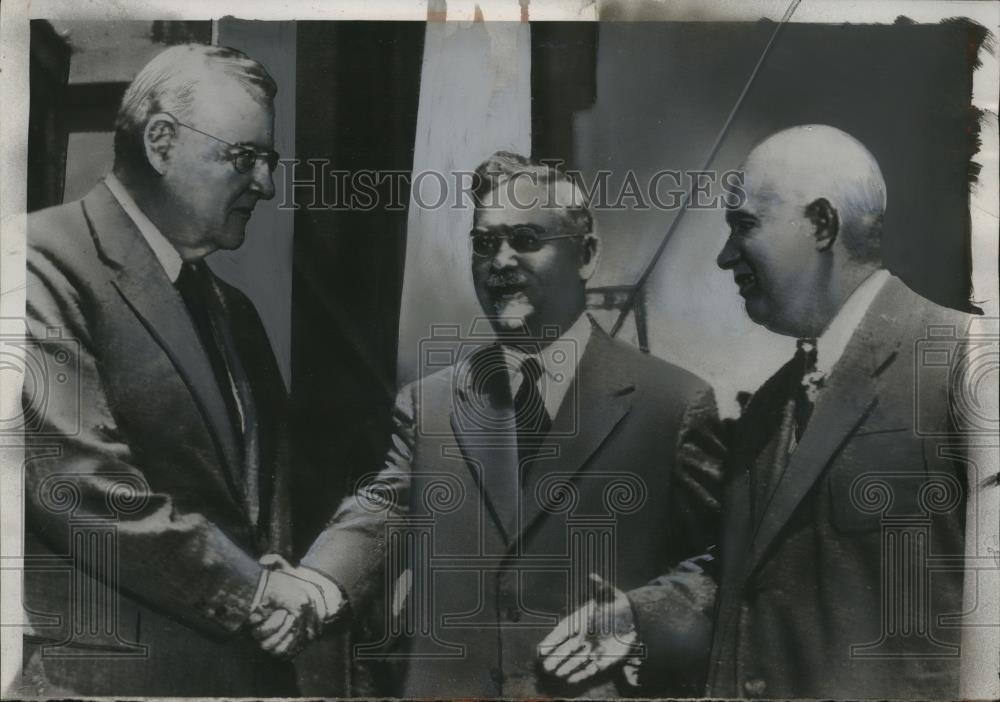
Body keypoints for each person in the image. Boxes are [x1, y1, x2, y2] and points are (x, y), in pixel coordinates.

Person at [294, 152, 725, 697]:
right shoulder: (429, 404)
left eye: (526, 239)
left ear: (586, 255)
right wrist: (315, 581)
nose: (500, 261)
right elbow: (380, 512)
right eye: (484, 243)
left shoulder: (674, 403)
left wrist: (640, 617)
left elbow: (724, 565)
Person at [20, 44, 334, 697]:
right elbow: (81, 486)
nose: (266, 185)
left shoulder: (232, 312)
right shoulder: (37, 266)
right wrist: (259, 591)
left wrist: (288, 584)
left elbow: (264, 504)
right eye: (244, 158)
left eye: (267, 161)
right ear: (162, 142)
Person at [704, 124, 967, 698]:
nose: (726, 256)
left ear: (822, 225)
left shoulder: (965, 361)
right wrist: (631, 617)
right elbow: (736, 579)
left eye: (744, 225)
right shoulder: (768, 407)